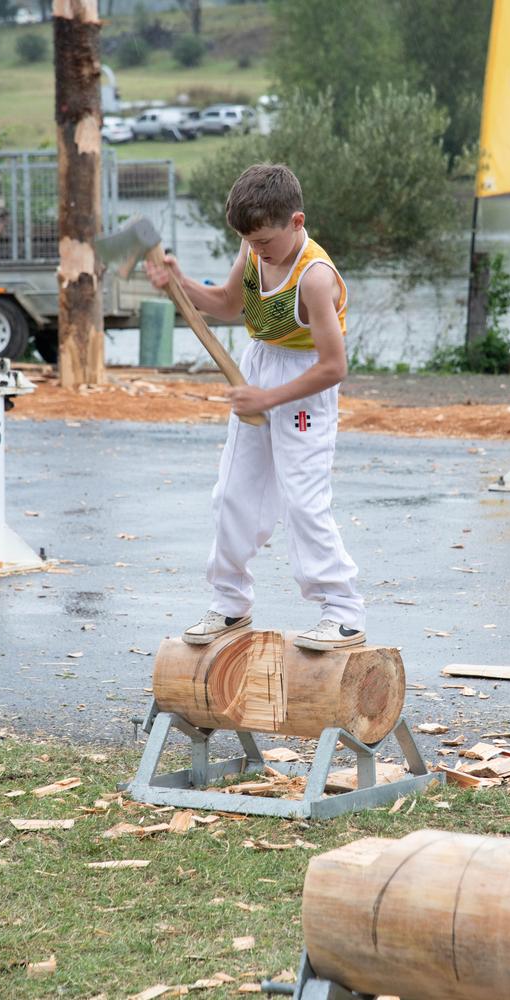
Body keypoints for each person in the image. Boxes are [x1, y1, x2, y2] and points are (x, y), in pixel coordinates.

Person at [146, 163, 365, 651]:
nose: (257, 249)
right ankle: (230, 604)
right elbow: (228, 304)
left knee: (304, 501)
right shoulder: (253, 246)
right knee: (231, 494)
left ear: (296, 221)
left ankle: (343, 611)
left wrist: (268, 397)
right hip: (258, 368)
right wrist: (178, 284)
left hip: (305, 380)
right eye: (250, 241)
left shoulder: (314, 278)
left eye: (265, 241)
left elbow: (334, 366)